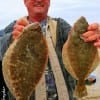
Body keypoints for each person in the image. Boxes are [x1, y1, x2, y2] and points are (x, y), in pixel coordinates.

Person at [0, 0, 100, 100]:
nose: (39, 0)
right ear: (25, 2)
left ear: (49, 1)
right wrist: (12, 40)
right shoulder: (14, 28)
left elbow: (74, 41)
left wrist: (91, 36)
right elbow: (1, 45)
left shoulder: (61, 26)